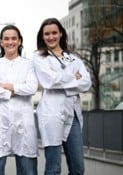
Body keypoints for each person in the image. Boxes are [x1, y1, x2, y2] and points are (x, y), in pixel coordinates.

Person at [32, 18, 92, 175]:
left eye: (54, 33)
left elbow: (86, 83)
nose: (51, 37)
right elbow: (49, 81)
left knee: (78, 168)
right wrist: (74, 79)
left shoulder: (74, 58)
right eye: (47, 34)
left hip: (73, 116)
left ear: (60, 34)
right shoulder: (39, 57)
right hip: (52, 114)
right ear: (42, 36)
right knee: (53, 168)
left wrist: (63, 81)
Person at [0, 25, 38, 175]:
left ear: (20, 41)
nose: (10, 42)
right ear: (1, 42)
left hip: (24, 121)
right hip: (0, 120)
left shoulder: (28, 64)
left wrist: (8, 87)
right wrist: (16, 91)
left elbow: (32, 88)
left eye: (14, 38)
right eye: (6, 39)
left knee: (27, 169)